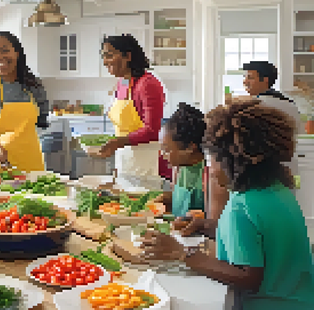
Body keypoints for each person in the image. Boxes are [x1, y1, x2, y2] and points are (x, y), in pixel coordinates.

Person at [142, 97, 314, 310]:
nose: (210, 167)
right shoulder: (275, 190)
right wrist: (205, 226)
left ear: (233, 160)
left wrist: (182, 254)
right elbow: (259, 239)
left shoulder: (241, 207)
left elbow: (248, 277)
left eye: (212, 158)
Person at [0, 31, 49, 174]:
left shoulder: (35, 86)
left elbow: (42, 122)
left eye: (4, 51)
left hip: (31, 163)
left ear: (17, 53)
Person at [94, 34, 165, 190]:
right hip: (126, 161)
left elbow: (152, 131)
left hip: (146, 163)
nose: (105, 62)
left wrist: (118, 142)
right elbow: (123, 130)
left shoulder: (148, 84)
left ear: (128, 56)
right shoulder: (123, 82)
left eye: (110, 55)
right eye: (103, 57)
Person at [242, 60, 302, 177]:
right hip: (289, 169)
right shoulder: (290, 105)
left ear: (265, 80)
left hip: (262, 171)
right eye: (245, 77)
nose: (245, 81)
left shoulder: (254, 106)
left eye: (250, 77)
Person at [159, 103, 208, 218]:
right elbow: (179, 201)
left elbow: (216, 218)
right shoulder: (178, 168)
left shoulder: (210, 173)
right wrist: (165, 199)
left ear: (190, 148)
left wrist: (203, 217)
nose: (162, 155)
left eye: (166, 150)